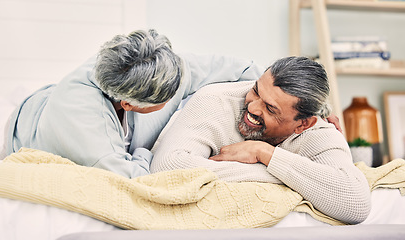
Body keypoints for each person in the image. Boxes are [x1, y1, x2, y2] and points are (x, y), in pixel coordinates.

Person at [2, 29, 264, 178]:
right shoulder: (94, 142)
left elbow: (242, 69)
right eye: (167, 98)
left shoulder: (150, 65)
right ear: (128, 104)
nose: (179, 91)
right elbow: (137, 178)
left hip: (56, 99)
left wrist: (262, 97)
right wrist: (155, 150)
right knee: (2, 160)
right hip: (29, 129)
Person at [150, 56, 371, 224]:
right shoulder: (214, 101)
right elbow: (168, 166)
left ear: (302, 124)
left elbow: (356, 204)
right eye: (256, 91)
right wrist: (295, 179)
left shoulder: (319, 131)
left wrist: (264, 154)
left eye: (270, 109)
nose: (253, 107)